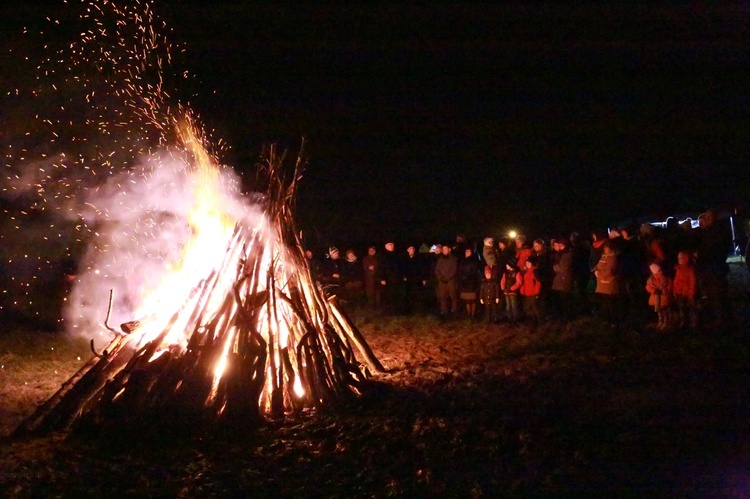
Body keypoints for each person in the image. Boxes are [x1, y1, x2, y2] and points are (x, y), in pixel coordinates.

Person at [594, 240, 619, 324]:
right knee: (604, 304)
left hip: (608, 285)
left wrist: (599, 273)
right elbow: (598, 266)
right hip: (601, 285)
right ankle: (606, 320)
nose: (604, 249)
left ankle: (613, 322)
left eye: (606, 247)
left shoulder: (613, 258)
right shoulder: (603, 257)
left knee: (610, 305)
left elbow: (610, 271)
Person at [551, 237, 574, 319]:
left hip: (565, 279)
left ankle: (567, 316)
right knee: (559, 299)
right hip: (559, 279)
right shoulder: (559, 254)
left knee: (565, 299)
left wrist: (555, 266)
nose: (560, 247)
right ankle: (561, 316)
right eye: (558, 245)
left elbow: (563, 267)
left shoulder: (568, 254)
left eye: (561, 245)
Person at [673, 250, 697, 328]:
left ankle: (693, 322)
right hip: (680, 294)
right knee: (682, 309)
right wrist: (675, 291)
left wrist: (691, 293)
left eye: (681, 258)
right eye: (678, 258)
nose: (679, 260)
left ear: (686, 259)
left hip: (688, 293)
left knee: (691, 308)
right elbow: (676, 281)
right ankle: (683, 321)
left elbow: (693, 282)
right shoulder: (678, 270)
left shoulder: (690, 270)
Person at [646, 262, 673, 330]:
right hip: (656, 297)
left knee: (665, 310)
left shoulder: (665, 279)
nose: (661, 271)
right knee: (659, 311)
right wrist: (654, 291)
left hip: (664, 297)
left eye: (661, 270)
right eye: (659, 271)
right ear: (655, 273)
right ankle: (661, 321)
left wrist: (665, 290)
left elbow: (670, 285)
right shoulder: (651, 280)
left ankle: (666, 322)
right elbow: (648, 287)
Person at [434, 244, 458, 321]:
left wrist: (448, 278)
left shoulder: (453, 259)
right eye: (443, 249)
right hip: (442, 282)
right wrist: (441, 277)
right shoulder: (440, 259)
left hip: (450, 281)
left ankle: (453, 312)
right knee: (443, 298)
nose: (444, 251)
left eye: (445, 249)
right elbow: (437, 270)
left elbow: (454, 270)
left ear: (449, 249)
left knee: (453, 297)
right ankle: (444, 313)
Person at [401, 244, 428, 314]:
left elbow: (422, 269)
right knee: (408, 295)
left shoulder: (419, 259)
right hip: (408, 280)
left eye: (412, 249)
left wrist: (423, 278)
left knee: (417, 295)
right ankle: (409, 311)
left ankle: (418, 310)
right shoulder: (405, 259)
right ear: (407, 250)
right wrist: (404, 276)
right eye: (410, 249)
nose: (411, 250)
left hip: (417, 279)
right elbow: (402, 269)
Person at [377, 241, 402, 314]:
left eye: (392, 244)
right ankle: (386, 311)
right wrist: (382, 278)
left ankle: (395, 310)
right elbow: (380, 268)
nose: (392, 246)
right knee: (387, 295)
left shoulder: (395, 255)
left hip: (395, 278)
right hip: (387, 279)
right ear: (386, 246)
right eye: (390, 245)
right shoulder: (382, 256)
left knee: (395, 294)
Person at [457, 248, 481, 321]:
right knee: (467, 300)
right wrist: (462, 278)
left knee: (473, 300)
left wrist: (468, 277)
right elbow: (460, 271)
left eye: (469, 251)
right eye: (466, 251)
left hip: (472, 283)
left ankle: (473, 315)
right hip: (465, 283)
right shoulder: (463, 261)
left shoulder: (474, 261)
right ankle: (469, 314)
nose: (467, 253)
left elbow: (475, 272)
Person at [501, 257, 522, 324]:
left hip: (512, 292)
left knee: (514, 306)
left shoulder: (517, 273)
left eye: (507, 265)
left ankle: (515, 319)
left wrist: (511, 288)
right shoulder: (506, 273)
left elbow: (519, 283)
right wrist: (503, 287)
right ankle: (509, 318)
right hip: (506, 292)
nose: (506, 266)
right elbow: (502, 281)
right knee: (508, 306)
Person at [521, 255, 542, 324]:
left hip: (533, 293)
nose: (527, 264)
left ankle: (537, 319)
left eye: (529, 263)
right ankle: (530, 319)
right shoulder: (526, 272)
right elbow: (524, 282)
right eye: (526, 263)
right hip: (527, 293)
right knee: (528, 306)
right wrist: (522, 290)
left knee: (534, 307)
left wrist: (536, 292)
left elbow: (538, 282)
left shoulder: (534, 272)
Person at [362, 245, 380, 310]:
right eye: (370, 250)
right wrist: (368, 268)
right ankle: (371, 305)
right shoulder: (366, 258)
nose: (371, 251)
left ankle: (378, 305)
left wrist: (375, 268)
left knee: (377, 291)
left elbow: (380, 267)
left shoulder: (377, 258)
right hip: (369, 278)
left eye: (372, 250)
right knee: (370, 292)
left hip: (377, 277)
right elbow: (364, 267)